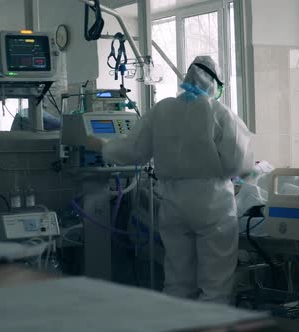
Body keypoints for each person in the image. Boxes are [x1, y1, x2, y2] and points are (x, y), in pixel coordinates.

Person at [85, 56, 254, 303]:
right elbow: (240, 162)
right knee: (215, 284)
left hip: (173, 201)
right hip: (212, 202)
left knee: (177, 280)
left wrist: (104, 147)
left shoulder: (162, 110)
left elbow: (134, 151)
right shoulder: (219, 113)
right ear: (215, 83)